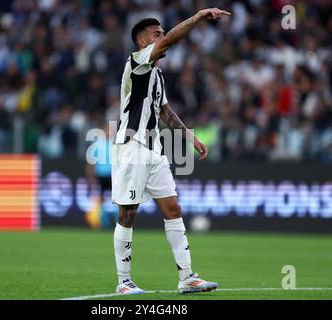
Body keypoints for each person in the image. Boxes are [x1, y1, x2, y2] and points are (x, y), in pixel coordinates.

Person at [111, 7, 231, 295]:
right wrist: (200, 15)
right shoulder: (137, 62)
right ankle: (124, 282)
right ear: (143, 42)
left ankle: (187, 277)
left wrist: (190, 136)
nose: (162, 37)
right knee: (128, 213)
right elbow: (169, 42)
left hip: (154, 150)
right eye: (157, 34)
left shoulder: (157, 75)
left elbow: (164, 111)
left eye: (162, 32)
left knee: (173, 208)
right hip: (132, 145)